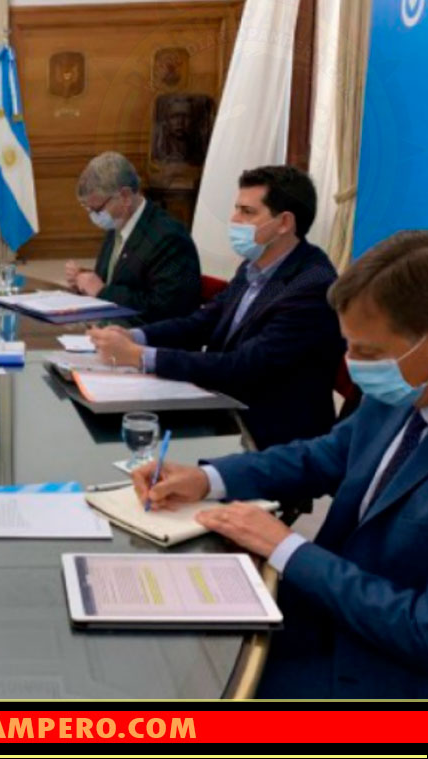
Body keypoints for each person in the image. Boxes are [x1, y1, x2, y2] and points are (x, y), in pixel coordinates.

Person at [132, 230, 428, 698]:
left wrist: (287, 548)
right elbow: (325, 454)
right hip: (318, 614)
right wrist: (208, 478)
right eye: (347, 346)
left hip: (382, 673)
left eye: (368, 352)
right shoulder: (400, 393)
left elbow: (419, 627)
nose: (352, 365)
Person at [90, 165, 343, 449]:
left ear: (284, 222)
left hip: (271, 434)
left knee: (136, 440)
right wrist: (136, 336)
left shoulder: (312, 285)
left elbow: (244, 366)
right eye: (236, 209)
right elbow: (203, 321)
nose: (234, 219)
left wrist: (141, 357)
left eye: (247, 212)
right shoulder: (255, 264)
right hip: (227, 403)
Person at [64, 152, 201, 324]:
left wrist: (102, 291)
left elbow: (166, 309)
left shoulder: (169, 238)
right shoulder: (118, 224)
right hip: (113, 328)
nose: (93, 216)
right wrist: (84, 282)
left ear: (125, 197)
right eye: (88, 209)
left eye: (97, 209)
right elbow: (117, 280)